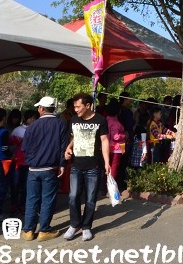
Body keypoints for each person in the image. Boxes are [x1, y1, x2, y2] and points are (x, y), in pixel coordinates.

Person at [22, 96, 70, 242]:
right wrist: (62, 164)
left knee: (31, 199)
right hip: (50, 167)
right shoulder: (61, 124)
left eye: (39, 107)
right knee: (48, 199)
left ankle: (28, 230)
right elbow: (64, 146)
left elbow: (25, 148)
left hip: (33, 168)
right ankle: (44, 229)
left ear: (42, 109)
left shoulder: (32, 126)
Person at [64, 94, 112, 243]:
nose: (76, 109)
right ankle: (74, 224)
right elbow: (73, 137)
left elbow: (104, 141)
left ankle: (86, 227)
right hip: (76, 165)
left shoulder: (100, 120)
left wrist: (107, 162)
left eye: (78, 106)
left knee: (90, 199)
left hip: (94, 166)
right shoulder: (73, 120)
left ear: (88, 105)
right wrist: (68, 148)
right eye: (74, 107)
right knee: (73, 196)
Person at [9, 109, 37, 216]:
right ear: (26, 118)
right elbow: (10, 144)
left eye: (35, 118)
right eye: (32, 118)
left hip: (29, 162)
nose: (33, 120)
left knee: (26, 186)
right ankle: (13, 205)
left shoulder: (36, 129)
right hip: (17, 162)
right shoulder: (18, 130)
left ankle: (22, 205)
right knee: (15, 185)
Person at [104, 99, 127, 189]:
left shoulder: (105, 120)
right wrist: (124, 136)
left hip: (106, 147)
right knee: (114, 168)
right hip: (116, 148)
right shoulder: (116, 123)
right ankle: (110, 188)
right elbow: (115, 137)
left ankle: (105, 187)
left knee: (106, 167)